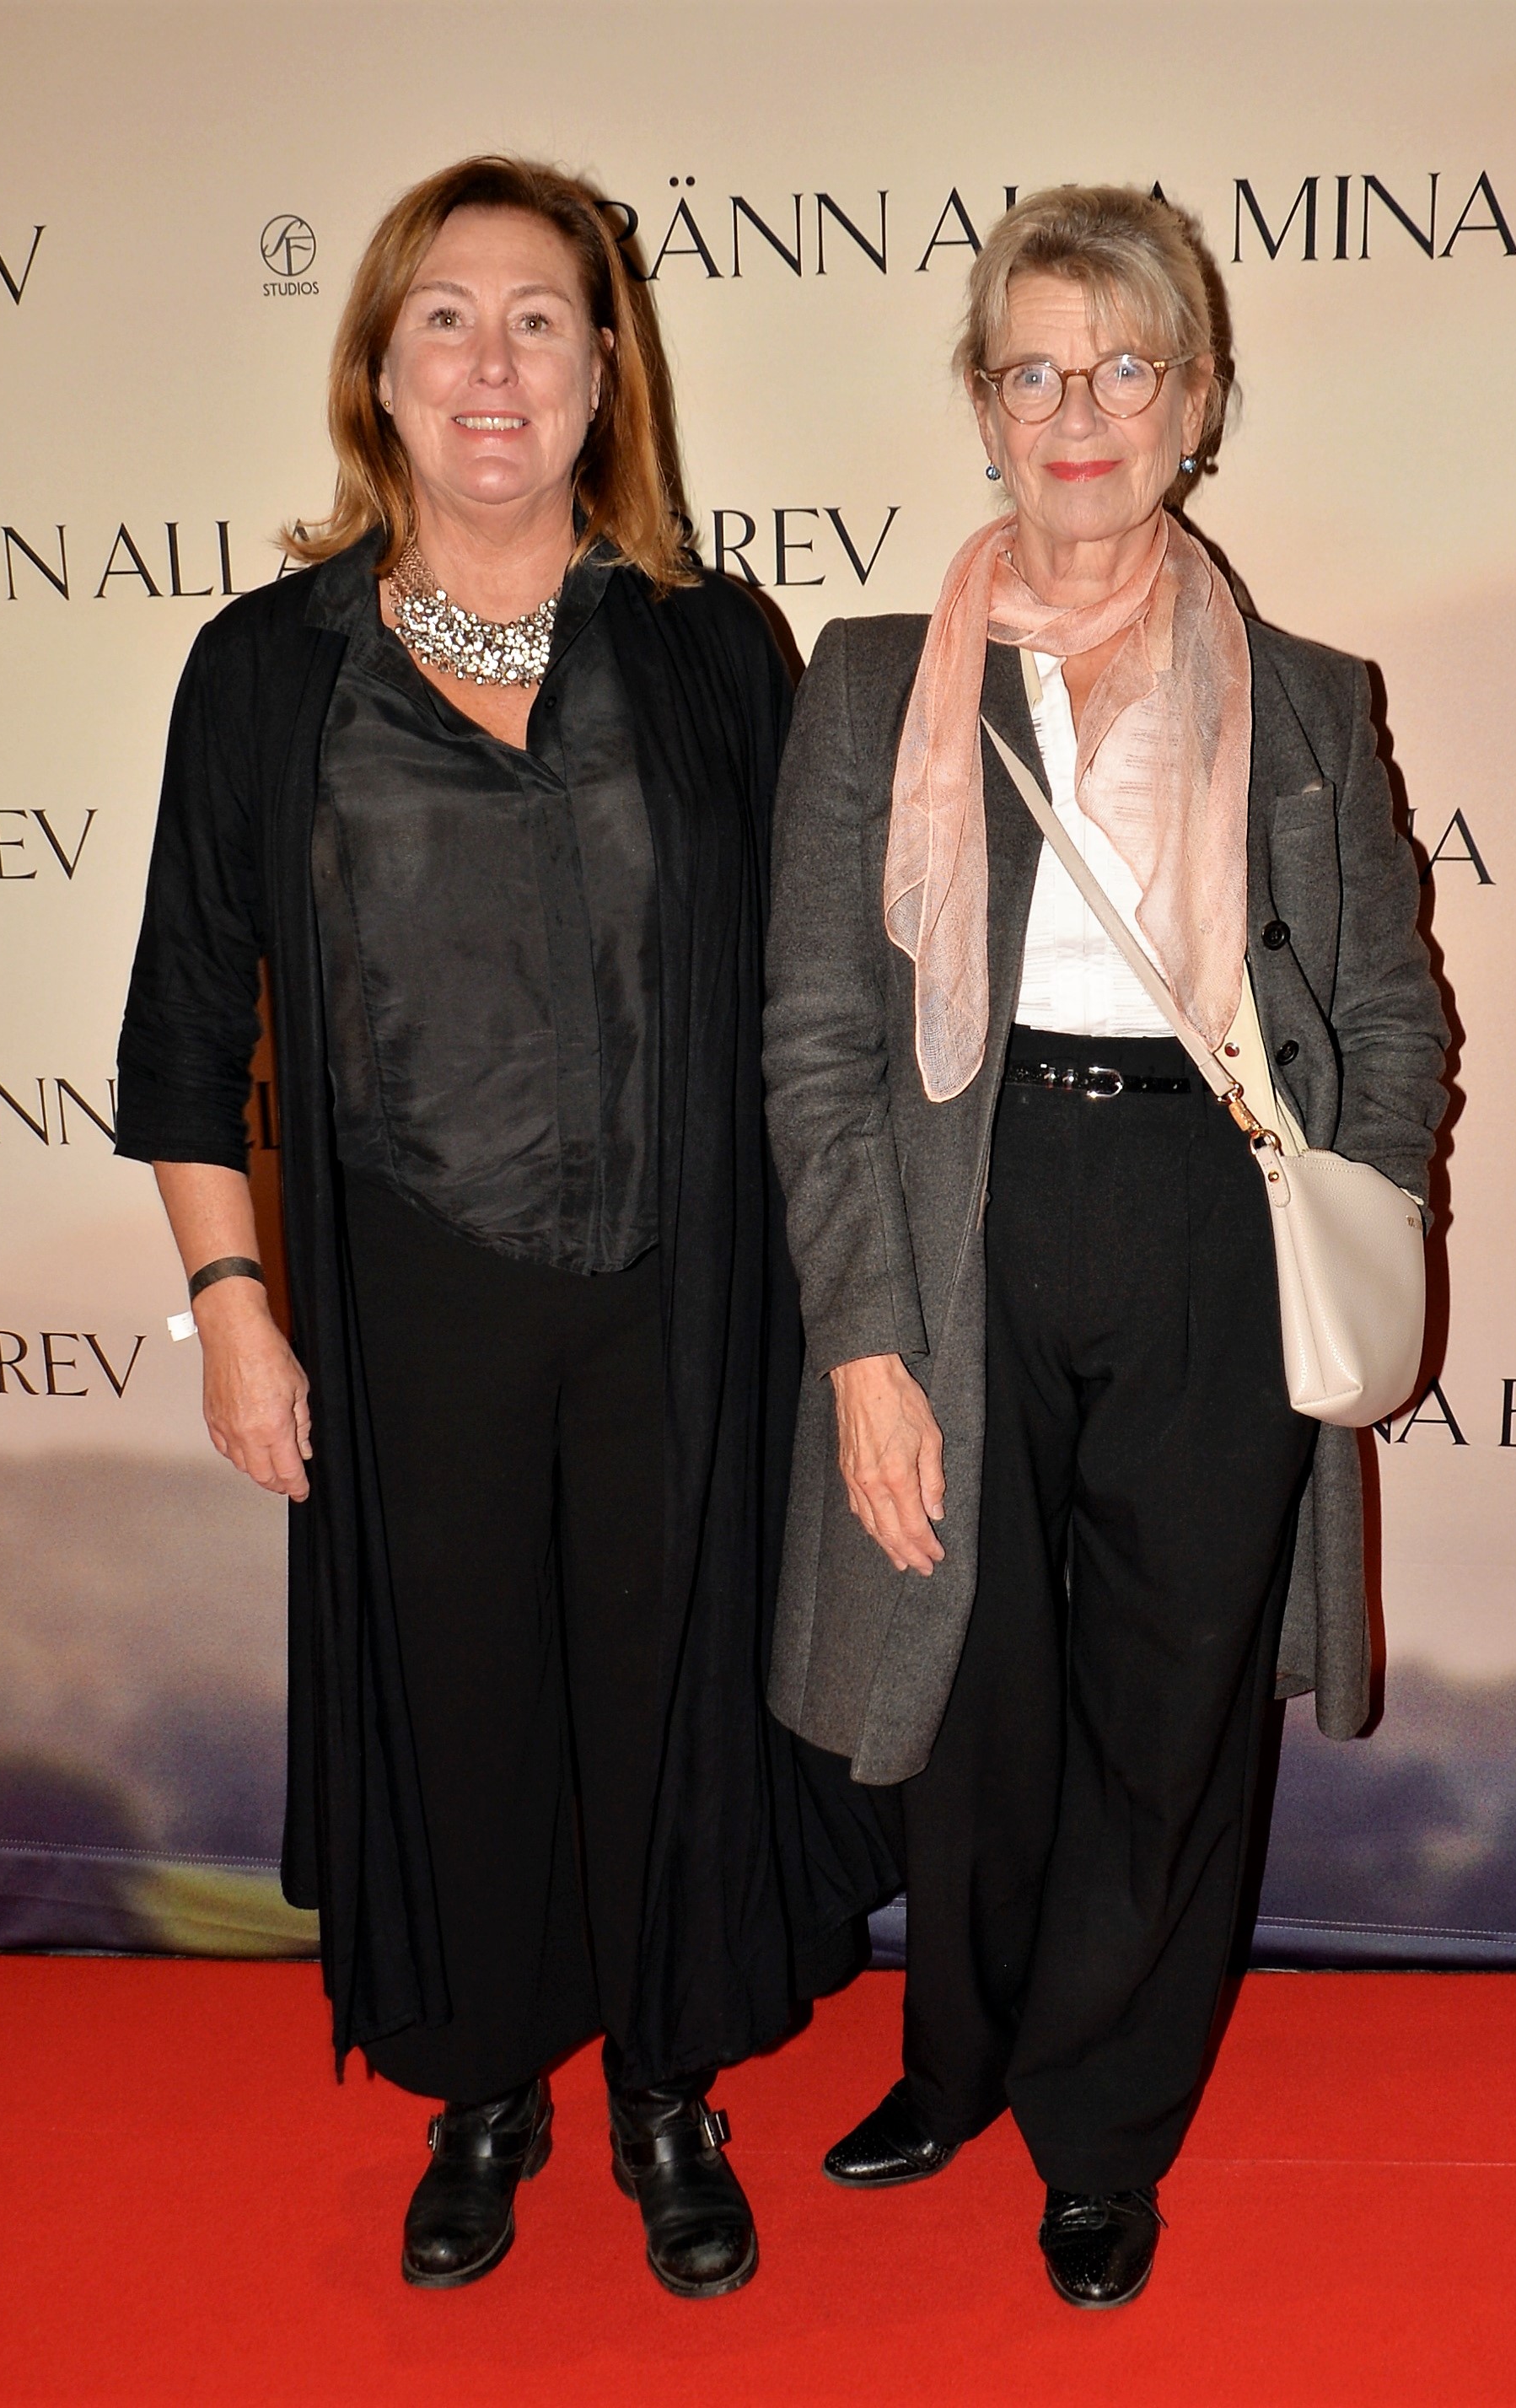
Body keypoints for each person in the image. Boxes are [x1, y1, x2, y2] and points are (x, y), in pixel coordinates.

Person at [115, 154, 884, 2303]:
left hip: (679, 1298)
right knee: (455, 1704)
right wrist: (233, 1307)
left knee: (667, 1698)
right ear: (376, 369)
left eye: (540, 319)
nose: (491, 364)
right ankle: (481, 2091)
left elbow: (816, 1007)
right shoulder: (266, 669)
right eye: (444, 317)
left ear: (605, 372)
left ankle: (664, 2088)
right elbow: (184, 1030)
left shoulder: (715, 651)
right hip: (407, 1307)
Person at [762, 185, 1448, 2309]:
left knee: (1171, 1705)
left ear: (1198, 402)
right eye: (1036, 371)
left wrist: (1360, 1206)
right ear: (982, 406)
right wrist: (864, 1337)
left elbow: (1392, 1011)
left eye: (1125, 367)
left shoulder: (1305, 698)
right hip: (964, 1216)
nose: (1081, 413)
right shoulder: (871, 683)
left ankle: (1105, 2121)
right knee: (973, 1680)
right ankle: (957, 2055)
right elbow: (816, 1035)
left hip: (1210, 1222)